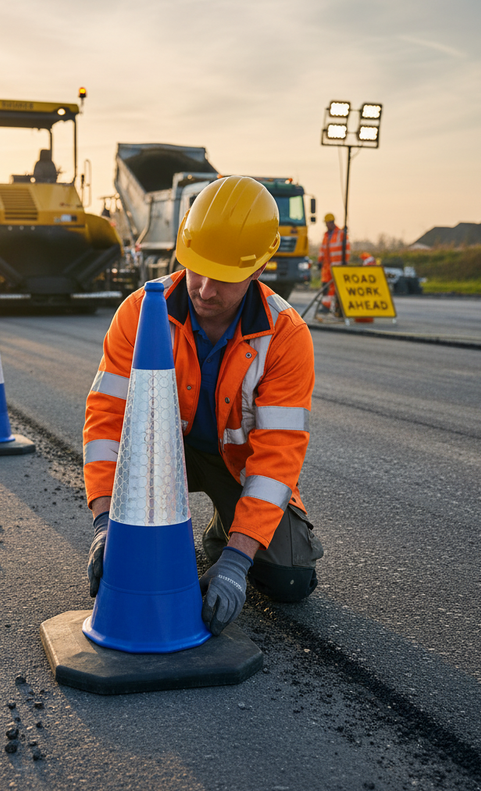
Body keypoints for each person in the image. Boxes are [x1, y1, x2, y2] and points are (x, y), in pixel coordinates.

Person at [83, 176, 323, 637]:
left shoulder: (286, 336)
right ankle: (209, 528)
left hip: (236, 465)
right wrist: (105, 523)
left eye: (225, 278)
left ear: (258, 269)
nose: (205, 290)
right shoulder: (140, 312)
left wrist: (237, 560)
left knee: (289, 578)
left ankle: (223, 533)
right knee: (131, 549)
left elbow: (278, 456)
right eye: (196, 269)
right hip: (158, 458)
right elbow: (108, 421)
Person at [317, 213, 349, 317]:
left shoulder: (341, 234)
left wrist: (345, 262)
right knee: (326, 288)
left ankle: (339, 309)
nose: (326, 226)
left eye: (327, 223)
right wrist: (319, 261)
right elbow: (323, 249)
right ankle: (326, 307)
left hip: (337, 266)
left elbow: (347, 249)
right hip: (327, 267)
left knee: (338, 289)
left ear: (332, 222)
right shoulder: (326, 235)